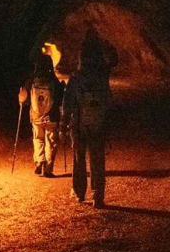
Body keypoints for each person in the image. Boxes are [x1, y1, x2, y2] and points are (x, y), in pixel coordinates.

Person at [64, 28, 113, 207]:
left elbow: (68, 101)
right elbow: (107, 100)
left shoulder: (76, 77)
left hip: (78, 124)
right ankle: (97, 195)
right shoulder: (102, 76)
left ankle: (79, 192)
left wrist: (64, 122)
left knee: (79, 159)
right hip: (98, 123)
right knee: (97, 159)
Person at [18, 53, 63, 176]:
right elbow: (60, 98)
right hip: (51, 116)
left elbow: (24, 99)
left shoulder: (31, 80)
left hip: (36, 116)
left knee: (38, 139)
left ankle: (39, 162)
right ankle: (48, 168)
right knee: (51, 141)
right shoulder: (53, 80)